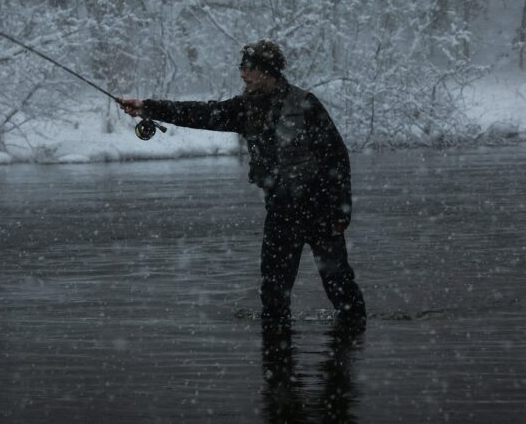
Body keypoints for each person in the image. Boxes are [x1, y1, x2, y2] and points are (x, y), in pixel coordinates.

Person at [116, 40, 366, 332]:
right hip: (281, 213)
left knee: (339, 284)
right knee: (273, 292)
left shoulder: (305, 104)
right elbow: (199, 113)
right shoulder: (246, 109)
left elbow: (337, 158)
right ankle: (278, 359)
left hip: (321, 211)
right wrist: (148, 107)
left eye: (249, 69)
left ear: (269, 72)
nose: (243, 75)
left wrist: (340, 213)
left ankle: (351, 345)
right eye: (242, 68)